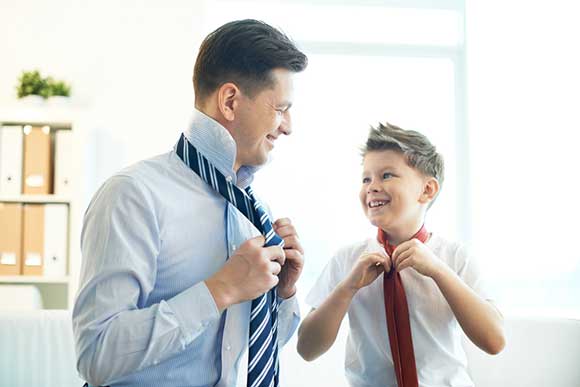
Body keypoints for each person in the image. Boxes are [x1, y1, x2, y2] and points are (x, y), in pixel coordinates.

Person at [73, 19, 307, 387]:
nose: (289, 126)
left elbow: (254, 352)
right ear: (230, 101)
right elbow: (96, 355)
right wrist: (220, 290)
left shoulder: (255, 214)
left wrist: (282, 293)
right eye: (281, 108)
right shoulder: (132, 195)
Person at [297, 123, 505, 387]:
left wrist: (439, 271)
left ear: (427, 190)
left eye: (386, 175)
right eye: (366, 179)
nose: (372, 186)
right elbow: (307, 349)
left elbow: (494, 340)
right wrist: (348, 287)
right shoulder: (347, 261)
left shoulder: (455, 257)